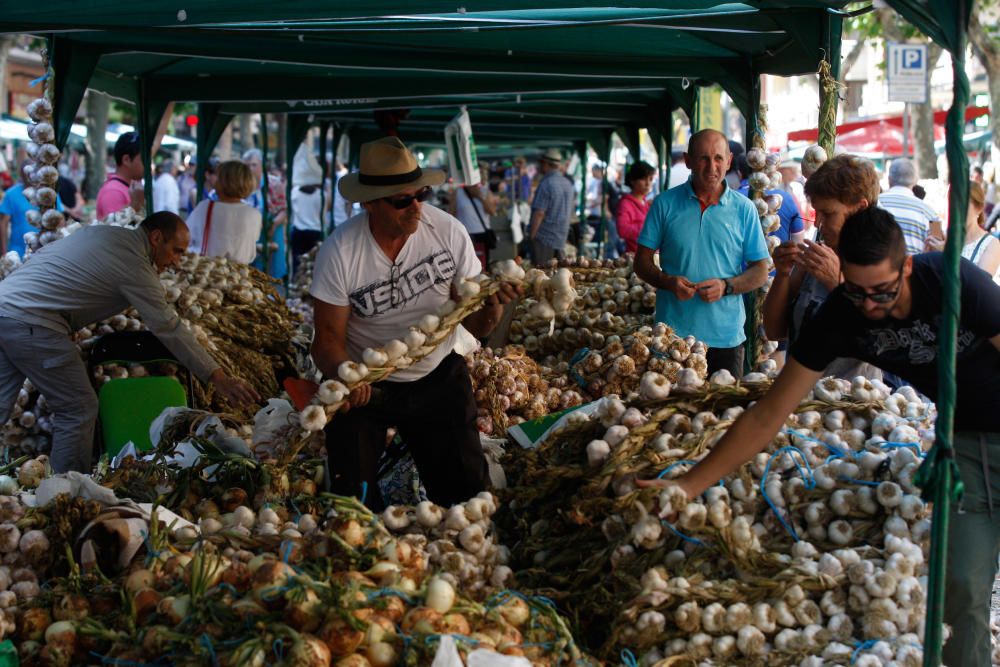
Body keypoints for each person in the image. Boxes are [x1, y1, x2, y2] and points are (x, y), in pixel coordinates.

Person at [642, 207, 1000, 667]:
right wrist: (689, 483)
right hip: (966, 445)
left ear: (907, 265)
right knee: (962, 590)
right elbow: (769, 413)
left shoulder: (954, 280)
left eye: (882, 292)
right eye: (857, 291)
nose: (871, 305)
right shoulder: (841, 316)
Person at [309, 136, 518, 511]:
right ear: (369, 203)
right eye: (402, 200)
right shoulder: (340, 251)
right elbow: (325, 339)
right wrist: (347, 374)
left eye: (421, 194)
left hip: (437, 375)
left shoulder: (449, 232)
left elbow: (479, 326)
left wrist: (492, 308)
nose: (416, 208)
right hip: (368, 384)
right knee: (350, 503)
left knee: (466, 494)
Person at [0, 211, 259, 473]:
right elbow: (169, 327)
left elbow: (49, 260)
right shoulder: (136, 266)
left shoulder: (104, 233)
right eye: (176, 251)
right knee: (78, 408)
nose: (178, 262)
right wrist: (217, 376)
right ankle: (64, 494)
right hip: (32, 321)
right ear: (156, 238)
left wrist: (62, 316)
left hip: (6, 306)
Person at [634, 129, 769, 376]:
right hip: (672, 339)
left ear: (729, 161)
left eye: (718, 158)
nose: (712, 167)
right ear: (688, 161)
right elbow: (641, 263)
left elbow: (761, 270)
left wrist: (726, 286)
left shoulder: (744, 209)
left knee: (724, 414)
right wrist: (667, 281)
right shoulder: (664, 204)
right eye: (703, 158)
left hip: (725, 339)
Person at [763, 154, 883, 380]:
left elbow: (881, 341)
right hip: (802, 402)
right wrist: (783, 274)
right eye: (816, 212)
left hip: (852, 405)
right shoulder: (816, 258)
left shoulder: (881, 264)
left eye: (828, 214)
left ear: (859, 209)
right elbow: (774, 330)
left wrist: (836, 284)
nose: (818, 223)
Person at [186, 161, 262, 264]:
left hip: (207, 273)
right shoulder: (254, 214)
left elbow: (187, 237)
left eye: (219, 178)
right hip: (240, 276)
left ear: (223, 182)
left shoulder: (204, 207)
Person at [734, 152, 805, 245]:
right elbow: (798, 241)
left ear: (739, 173)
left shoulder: (732, 200)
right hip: (780, 258)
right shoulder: (786, 198)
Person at [878, 158, 943, 255]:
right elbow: (938, 248)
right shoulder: (930, 213)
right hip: (916, 268)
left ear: (889, 179)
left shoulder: (875, 203)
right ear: (914, 181)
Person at [242, 149, 288, 281]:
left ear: (262, 165)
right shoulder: (242, 185)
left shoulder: (274, 183)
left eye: (253, 165)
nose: (250, 168)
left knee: (272, 270)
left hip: (271, 231)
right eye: (247, 165)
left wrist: (273, 224)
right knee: (253, 271)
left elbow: (284, 209)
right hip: (249, 232)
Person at [0, 163, 63, 258]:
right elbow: (3, 224)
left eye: (32, 173)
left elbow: (60, 220)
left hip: (46, 251)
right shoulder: (11, 194)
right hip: (18, 253)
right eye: (26, 174)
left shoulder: (49, 193)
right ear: (21, 174)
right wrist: (4, 252)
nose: (29, 177)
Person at [528, 148, 575, 264]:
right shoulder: (567, 184)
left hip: (544, 239)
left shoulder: (546, 184)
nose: (539, 166)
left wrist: (531, 236)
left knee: (542, 276)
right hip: (561, 238)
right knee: (556, 275)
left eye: (541, 163)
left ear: (546, 164)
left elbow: (539, 213)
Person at [451, 162, 498, 269]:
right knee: (465, 266)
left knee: (482, 266)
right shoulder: (458, 192)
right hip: (464, 235)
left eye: (482, 173)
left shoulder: (486, 191)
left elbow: (492, 212)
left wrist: (480, 197)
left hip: (482, 235)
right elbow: (451, 215)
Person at [288, 144, 326, 273]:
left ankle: (295, 287)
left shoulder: (294, 192)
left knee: (297, 264)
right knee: (313, 265)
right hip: (315, 232)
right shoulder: (322, 195)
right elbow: (324, 211)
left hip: (298, 232)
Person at [96, 132, 145, 219]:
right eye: (144, 159)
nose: (148, 164)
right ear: (126, 160)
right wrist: (135, 207)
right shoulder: (113, 191)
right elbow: (115, 230)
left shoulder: (127, 186)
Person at [961, 181, 1000, 281]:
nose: (956, 210)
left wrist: (945, 255)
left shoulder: (991, 244)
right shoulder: (945, 238)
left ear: (979, 208)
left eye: (963, 204)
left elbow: (979, 286)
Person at [616, 161, 656, 254]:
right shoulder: (625, 204)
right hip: (635, 257)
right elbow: (622, 230)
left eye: (650, 179)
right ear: (632, 180)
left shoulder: (646, 203)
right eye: (643, 179)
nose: (648, 183)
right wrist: (649, 227)